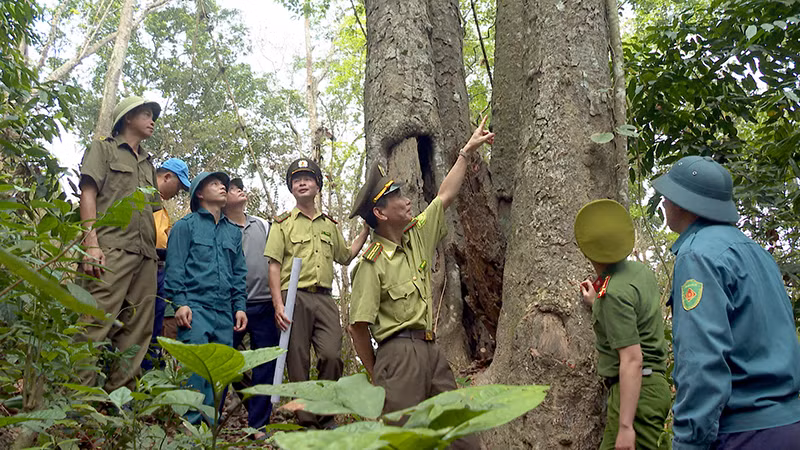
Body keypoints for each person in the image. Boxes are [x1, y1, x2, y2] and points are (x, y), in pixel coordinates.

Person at [347, 118, 494, 449]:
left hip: (432, 351)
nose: (406, 198)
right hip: (396, 355)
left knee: (462, 436)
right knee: (402, 441)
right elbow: (357, 327)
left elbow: (444, 196)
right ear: (381, 214)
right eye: (396, 194)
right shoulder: (371, 264)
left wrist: (466, 152)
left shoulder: (416, 237)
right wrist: (378, 372)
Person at [653, 155, 800, 449]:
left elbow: (700, 362)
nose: (663, 203)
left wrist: (689, 443)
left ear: (684, 202)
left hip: (744, 433)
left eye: (667, 196)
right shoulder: (755, 252)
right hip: (788, 426)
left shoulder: (698, 255)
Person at [264, 158, 369, 429]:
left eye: (308, 178)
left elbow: (345, 256)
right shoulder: (282, 223)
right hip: (293, 297)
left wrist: (366, 230)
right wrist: (278, 305)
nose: (302, 182)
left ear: (317, 185)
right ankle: (307, 420)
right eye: (296, 179)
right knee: (297, 360)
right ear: (291, 187)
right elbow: (274, 266)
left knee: (331, 354)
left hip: (324, 298)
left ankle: (326, 414)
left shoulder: (329, 225)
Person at [78, 96, 163, 390]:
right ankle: (76, 408)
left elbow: (152, 211)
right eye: (146, 114)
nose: (152, 120)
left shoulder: (148, 163)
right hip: (110, 249)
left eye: (153, 115)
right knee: (94, 323)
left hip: (145, 256)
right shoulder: (103, 149)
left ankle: (120, 409)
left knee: (137, 333)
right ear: (127, 118)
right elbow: (88, 194)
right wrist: (91, 245)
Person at [575, 199, 671, 450]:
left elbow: (632, 359)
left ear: (586, 250)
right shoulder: (639, 272)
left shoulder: (614, 293)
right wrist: (597, 303)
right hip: (648, 390)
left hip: (637, 394)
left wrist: (626, 427)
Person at [163, 171, 248, 424]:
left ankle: (210, 429)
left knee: (219, 374)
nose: (222, 187)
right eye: (215, 184)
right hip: (195, 310)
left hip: (224, 313)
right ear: (199, 193)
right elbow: (175, 268)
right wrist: (180, 303)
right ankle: (190, 429)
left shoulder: (233, 232)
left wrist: (240, 306)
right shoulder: (184, 227)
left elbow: (239, 272)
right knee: (195, 373)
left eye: (224, 184)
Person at [223, 177, 279, 439]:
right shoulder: (218, 226)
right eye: (233, 188)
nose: (239, 190)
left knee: (265, 364)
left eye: (239, 186)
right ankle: (208, 423)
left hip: (266, 304)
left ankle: (258, 425)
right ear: (223, 199)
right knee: (222, 362)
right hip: (232, 306)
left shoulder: (263, 225)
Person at [142, 158, 190, 371]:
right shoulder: (143, 197)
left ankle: (151, 368)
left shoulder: (162, 209)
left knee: (154, 324)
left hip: (160, 266)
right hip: (144, 264)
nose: (178, 192)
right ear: (167, 176)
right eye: (178, 186)